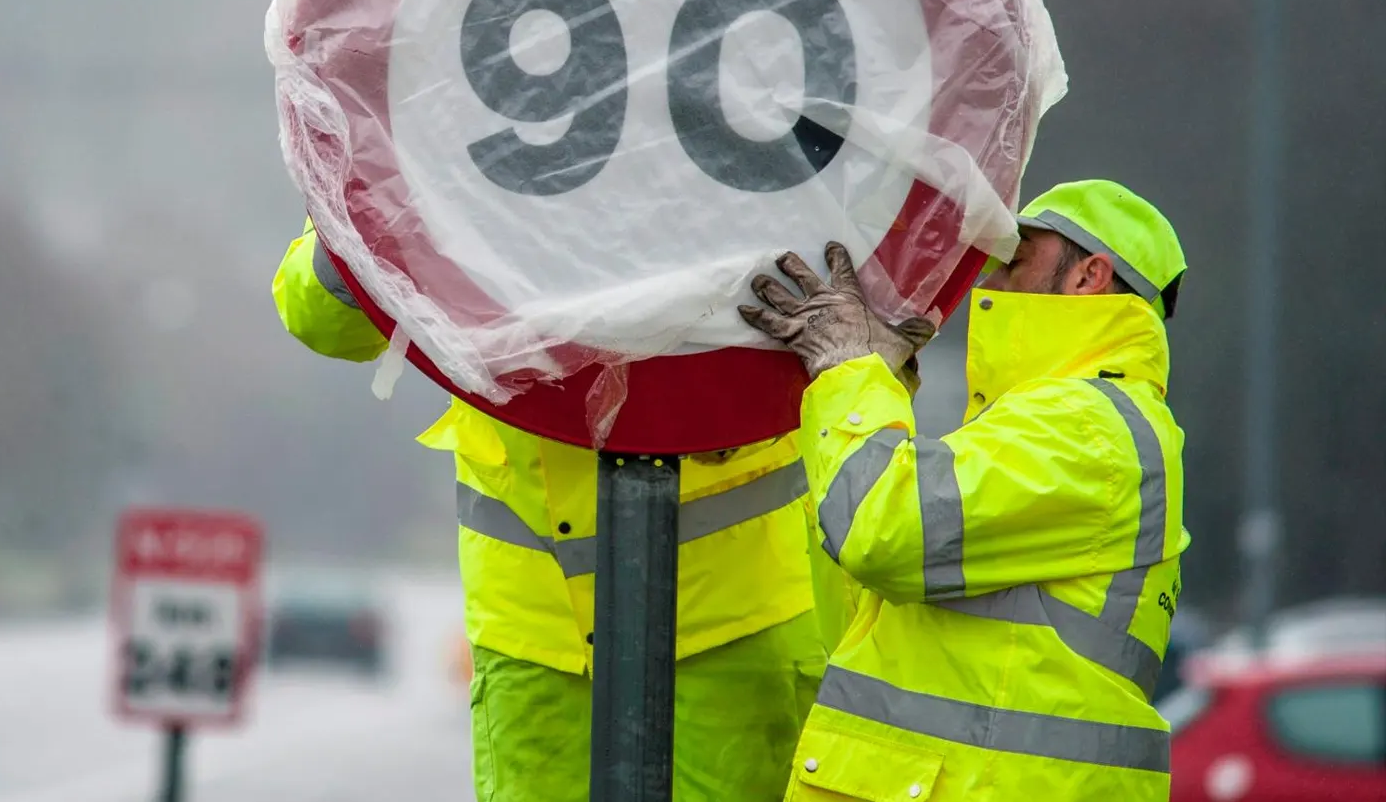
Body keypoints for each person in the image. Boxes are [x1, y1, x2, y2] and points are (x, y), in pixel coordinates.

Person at [274, 217, 826, 801]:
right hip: (537, 635)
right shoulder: (409, 132)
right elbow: (326, 324)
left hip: (739, 618)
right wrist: (368, 210)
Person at [740, 178, 1189, 801]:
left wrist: (849, 370)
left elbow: (878, 530)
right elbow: (868, 614)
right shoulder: (1059, 419)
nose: (987, 284)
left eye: (1015, 260)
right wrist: (882, 384)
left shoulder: (1088, 425)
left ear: (1089, 276)